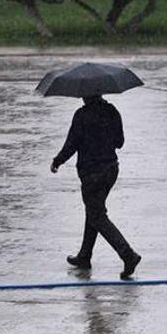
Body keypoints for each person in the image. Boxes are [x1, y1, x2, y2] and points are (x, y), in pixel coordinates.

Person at [50, 95, 141, 280]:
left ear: (86, 95)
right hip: (110, 170)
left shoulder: (81, 115)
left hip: (91, 173)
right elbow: (120, 142)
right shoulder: (112, 111)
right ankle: (85, 255)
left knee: (97, 216)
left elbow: (71, 144)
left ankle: (128, 254)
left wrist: (57, 161)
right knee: (93, 211)